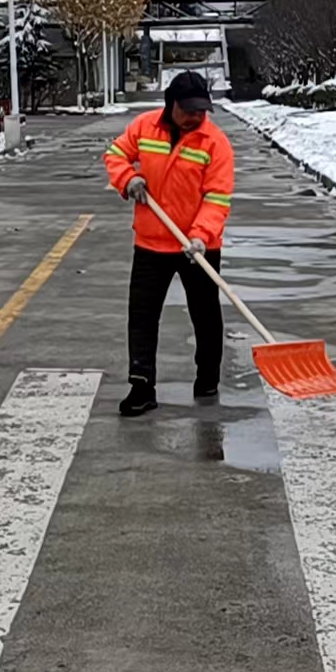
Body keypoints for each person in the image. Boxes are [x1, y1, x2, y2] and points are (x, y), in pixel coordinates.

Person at [104, 71, 236, 416]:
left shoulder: (214, 142)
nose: (195, 116)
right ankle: (141, 385)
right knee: (142, 316)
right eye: (189, 110)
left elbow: (218, 196)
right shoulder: (145, 127)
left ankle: (207, 378)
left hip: (198, 246)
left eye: (201, 110)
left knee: (205, 316)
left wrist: (201, 235)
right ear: (171, 104)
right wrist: (128, 179)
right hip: (151, 242)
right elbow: (116, 155)